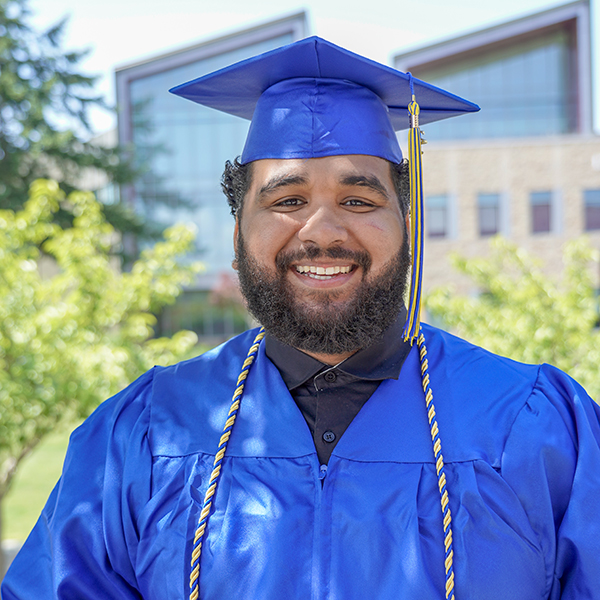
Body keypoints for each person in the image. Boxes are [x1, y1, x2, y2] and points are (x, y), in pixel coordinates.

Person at [2, 36, 600, 600]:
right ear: (238, 234)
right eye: (286, 201)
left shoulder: (538, 425)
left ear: (409, 223)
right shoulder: (146, 433)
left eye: (359, 200)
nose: (322, 231)